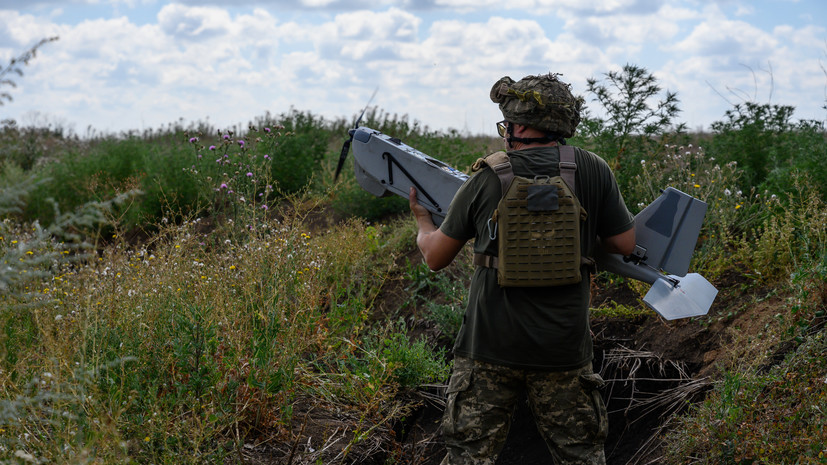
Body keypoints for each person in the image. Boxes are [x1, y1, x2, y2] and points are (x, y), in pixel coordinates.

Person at [408, 73, 636, 465]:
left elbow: (435, 258)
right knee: (581, 456)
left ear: (521, 126)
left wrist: (422, 221)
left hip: (489, 348)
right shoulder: (592, 169)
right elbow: (624, 244)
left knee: (468, 456)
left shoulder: (487, 177)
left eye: (508, 122)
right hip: (562, 350)